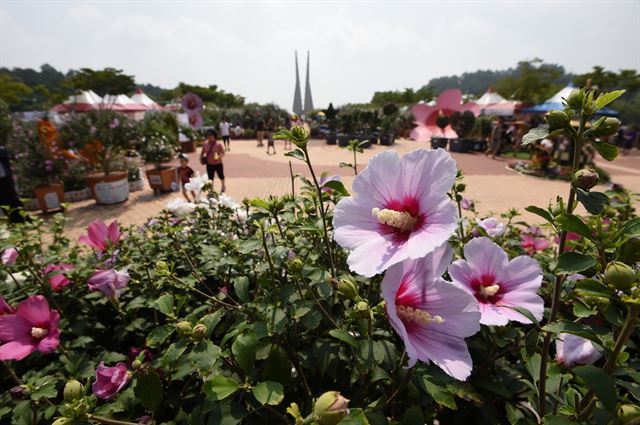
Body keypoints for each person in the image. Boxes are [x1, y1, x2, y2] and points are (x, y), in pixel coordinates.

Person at [0, 146, 28, 223]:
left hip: (5, 180)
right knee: (4, 204)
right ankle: (13, 222)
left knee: (14, 201)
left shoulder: (2, 150)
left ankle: (24, 221)